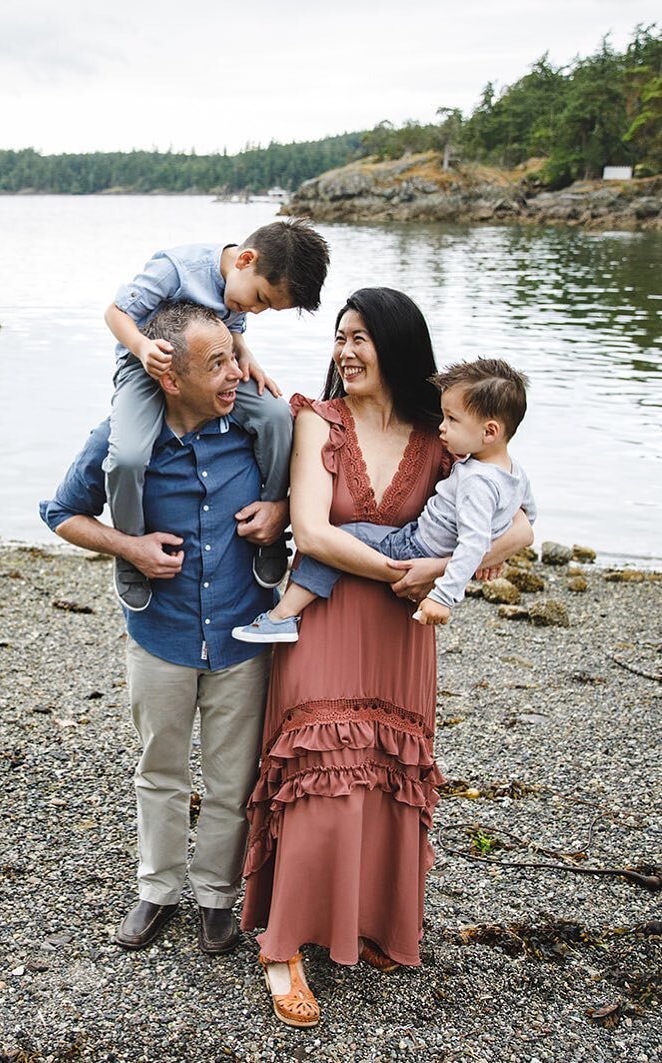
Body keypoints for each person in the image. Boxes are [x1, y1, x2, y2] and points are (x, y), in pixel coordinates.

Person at [238, 288, 533, 1029]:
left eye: (360, 337)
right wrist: (403, 571)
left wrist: (443, 570)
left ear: (396, 345)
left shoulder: (445, 435)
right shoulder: (317, 418)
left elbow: (520, 522)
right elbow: (312, 529)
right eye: (339, 336)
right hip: (330, 618)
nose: (344, 350)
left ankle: (366, 921)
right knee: (317, 777)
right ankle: (283, 946)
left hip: (403, 633)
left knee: (384, 778)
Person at [40, 302, 288, 955]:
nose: (235, 373)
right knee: (160, 769)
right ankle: (156, 888)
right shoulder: (121, 443)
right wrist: (130, 546)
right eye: (216, 365)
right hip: (160, 635)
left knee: (234, 777)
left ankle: (214, 897)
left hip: (243, 634)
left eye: (232, 357)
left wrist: (281, 509)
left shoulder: (254, 432)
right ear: (170, 378)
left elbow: (326, 495)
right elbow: (60, 512)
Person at [103, 219, 329, 611]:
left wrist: (247, 357)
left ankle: (271, 523)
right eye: (260, 298)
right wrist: (141, 347)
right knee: (127, 457)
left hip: (210, 371)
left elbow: (234, 332)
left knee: (275, 414)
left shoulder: (239, 290)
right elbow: (116, 313)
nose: (255, 310)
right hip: (144, 367)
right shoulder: (177, 267)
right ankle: (131, 551)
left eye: (267, 308)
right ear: (245, 259)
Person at [232, 357, 536, 642]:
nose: (442, 426)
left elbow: (473, 541)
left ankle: (283, 614)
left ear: (490, 431)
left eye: (452, 420)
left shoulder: (475, 481)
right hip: (429, 545)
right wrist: (492, 554)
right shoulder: (514, 473)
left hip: (414, 546)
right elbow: (525, 515)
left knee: (342, 538)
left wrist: (443, 596)